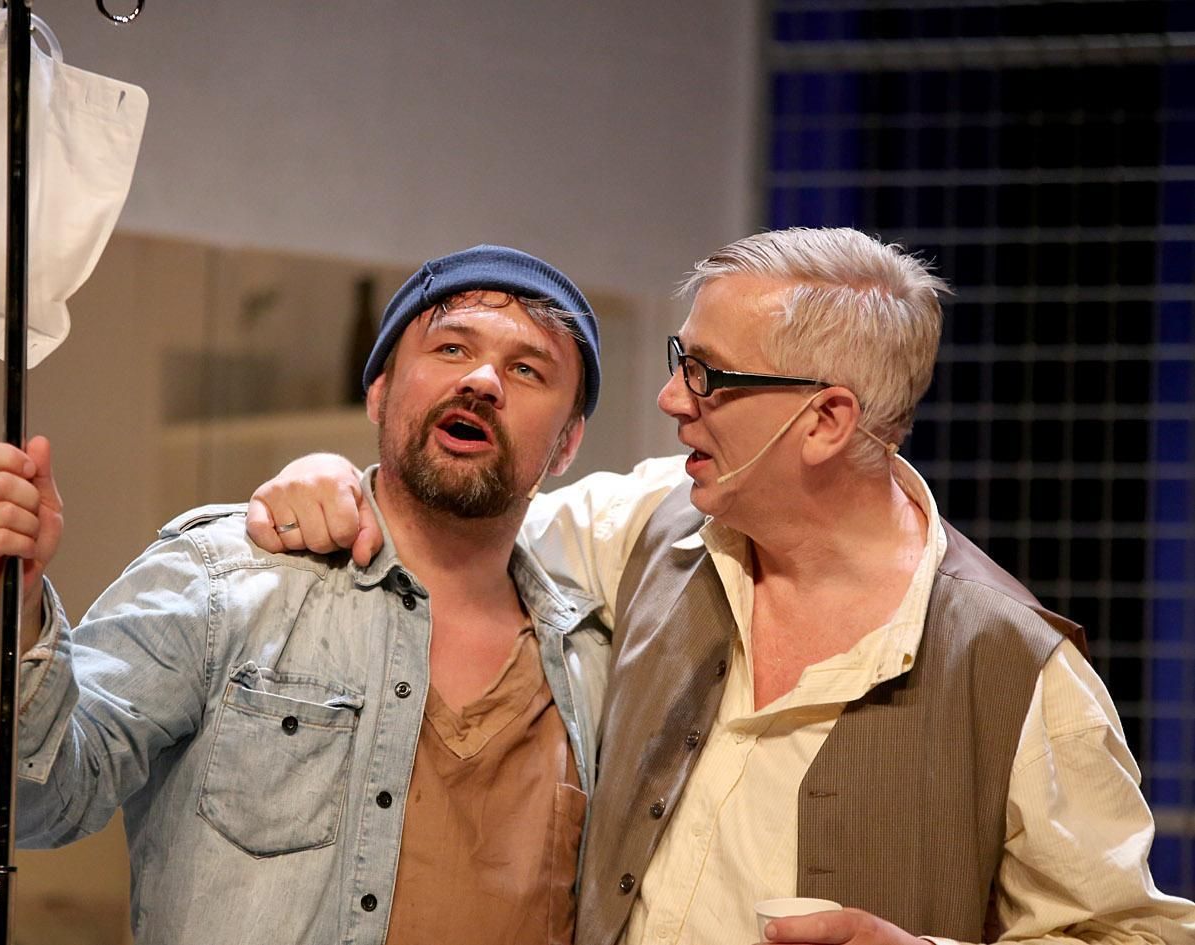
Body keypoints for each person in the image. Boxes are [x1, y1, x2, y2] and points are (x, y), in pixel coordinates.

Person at [247, 228, 1195, 945]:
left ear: (825, 420)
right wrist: (328, 481)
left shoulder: (1019, 670)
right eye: (679, 360)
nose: (671, 399)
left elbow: (1135, 933)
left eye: (706, 375)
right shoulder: (647, 525)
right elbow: (447, 522)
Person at [0, 244, 615, 945]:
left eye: (527, 369)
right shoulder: (223, 579)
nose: (483, 380)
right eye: (451, 347)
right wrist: (7, 611)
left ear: (567, 443)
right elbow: (30, 803)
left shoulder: (595, 666)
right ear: (378, 391)